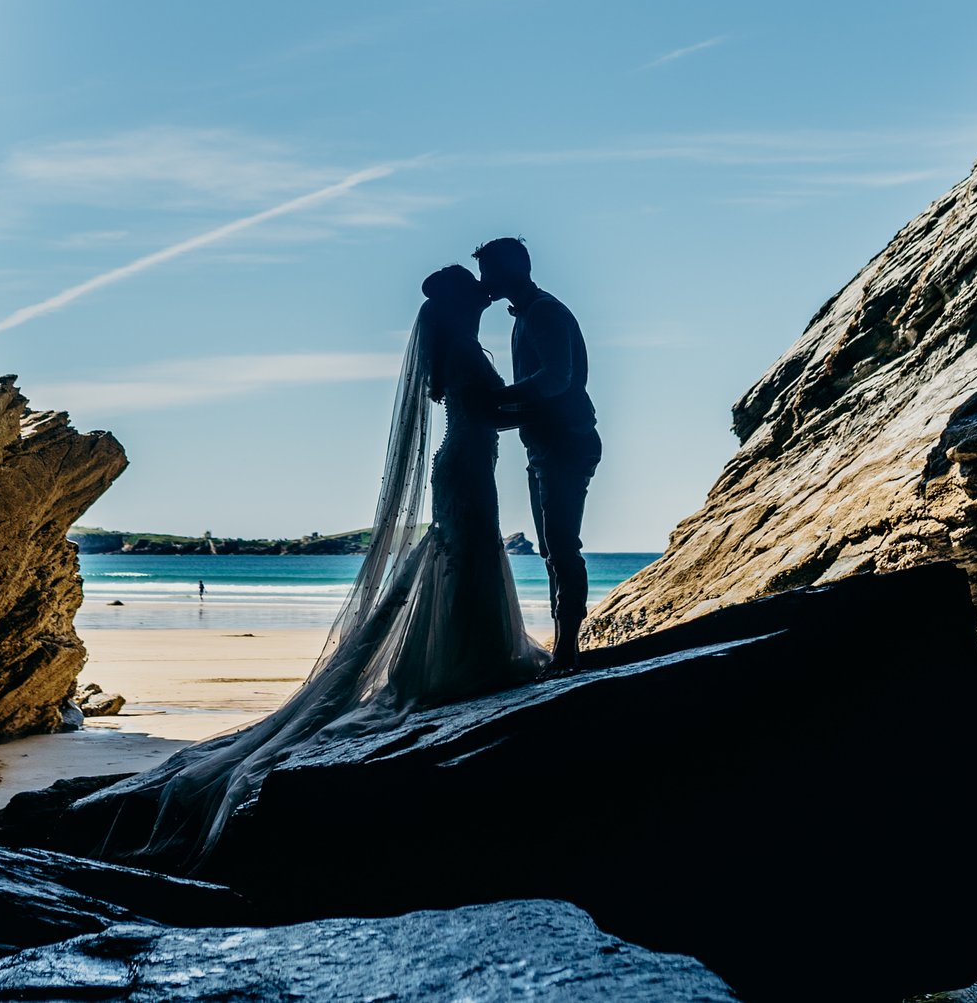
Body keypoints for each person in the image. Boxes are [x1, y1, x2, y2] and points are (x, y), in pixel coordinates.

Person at [47, 265, 543, 869]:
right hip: (467, 464)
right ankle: (472, 658)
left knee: (461, 554)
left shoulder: (452, 346)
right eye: (476, 299)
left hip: (462, 462)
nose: (482, 305)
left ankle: (465, 656)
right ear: (462, 308)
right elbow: (498, 410)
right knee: (464, 554)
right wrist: (558, 395)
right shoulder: (463, 347)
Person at [473, 237, 602, 674]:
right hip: (545, 442)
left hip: (567, 441)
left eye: (487, 271)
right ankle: (564, 644)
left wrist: (496, 399)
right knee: (552, 548)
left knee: (563, 547)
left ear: (509, 271)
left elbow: (556, 380)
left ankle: (568, 650)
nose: (483, 281)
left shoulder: (545, 312)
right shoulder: (524, 315)